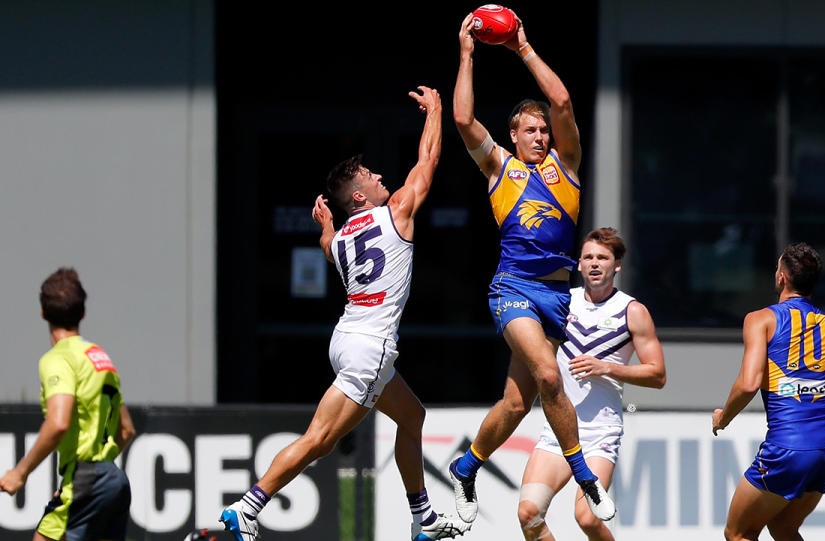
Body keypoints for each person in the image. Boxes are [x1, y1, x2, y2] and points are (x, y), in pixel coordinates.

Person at [219, 87, 470, 541]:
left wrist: (328, 226)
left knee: (412, 417)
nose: (379, 177)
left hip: (348, 340)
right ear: (358, 196)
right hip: (370, 347)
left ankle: (424, 518)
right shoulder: (395, 214)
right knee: (320, 439)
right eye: (370, 176)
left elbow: (328, 249)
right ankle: (248, 506)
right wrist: (435, 112)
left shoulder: (341, 238)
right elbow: (428, 161)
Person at [449, 10, 615, 524]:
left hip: (556, 296)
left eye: (544, 129)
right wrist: (468, 54)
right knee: (549, 373)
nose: (541, 136)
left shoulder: (566, 165)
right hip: (513, 288)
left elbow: (562, 100)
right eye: (530, 129)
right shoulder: (500, 168)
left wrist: (523, 47)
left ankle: (465, 465)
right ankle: (586, 479)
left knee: (517, 404)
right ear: (513, 136)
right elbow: (461, 119)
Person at [712, 242, 825, 541]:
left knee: (738, 532)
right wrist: (819, 428)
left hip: (790, 447)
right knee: (784, 528)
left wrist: (724, 417)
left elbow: (748, 383)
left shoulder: (761, 319)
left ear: (781, 277)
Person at [517, 229, 666, 541]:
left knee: (586, 517)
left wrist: (606, 367)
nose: (595, 264)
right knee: (528, 514)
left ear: (617, 266)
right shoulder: (560, 302)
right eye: (588, 257)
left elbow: (657, 375)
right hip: (558, 430)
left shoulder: (632, 311)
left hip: (600, 432)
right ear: (579, 265)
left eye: (603, 258)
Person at [0, 267, 137, 541]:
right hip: (115, 480)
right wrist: (98, 474)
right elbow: (127, 431)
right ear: (82, 313)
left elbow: (58, 423)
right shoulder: (100, 357)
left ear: (42, 313)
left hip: (87, 478)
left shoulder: (58, 359)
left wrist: (20, 472)